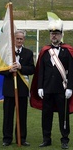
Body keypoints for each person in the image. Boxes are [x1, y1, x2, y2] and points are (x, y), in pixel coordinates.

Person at [30, 19, 73, 149]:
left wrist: (70, 87)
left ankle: (64, 139)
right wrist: (40, 87)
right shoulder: (45, 51)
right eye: (52, 33)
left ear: (61, 34)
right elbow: (40, 71)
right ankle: (46, 138)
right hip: (47, 89)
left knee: (63, 116)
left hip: (62, 89)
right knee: (46, 115)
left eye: (56, 33)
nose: (54, 36)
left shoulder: (68, 51)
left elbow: (71, 71)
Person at [0, 30, 35, 146]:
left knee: (22, 115)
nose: (19, 40)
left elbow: (32, 69)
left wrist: (21, 67)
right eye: (17, 38)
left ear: (24, 40)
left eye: (21, 39)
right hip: (9, 88)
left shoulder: (28, 53)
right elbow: (0, 69)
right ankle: (7, 139)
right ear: (13, 39)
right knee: (8, 115)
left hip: (22, 89)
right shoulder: (7, 52)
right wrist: (9, 70)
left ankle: (22, 138)